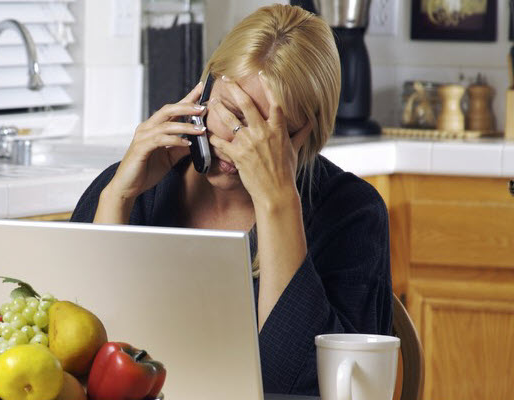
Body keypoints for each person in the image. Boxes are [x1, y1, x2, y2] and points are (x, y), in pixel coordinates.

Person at [70, 3, 392, 396]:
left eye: (269, 131)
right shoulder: (137, 185)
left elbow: (293, 383)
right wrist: (118, 195)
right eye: (233, 112)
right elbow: (72, 356)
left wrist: (278, 205)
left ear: (307, 134)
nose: (241, 144)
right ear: (205, 87)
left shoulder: (353, 214)